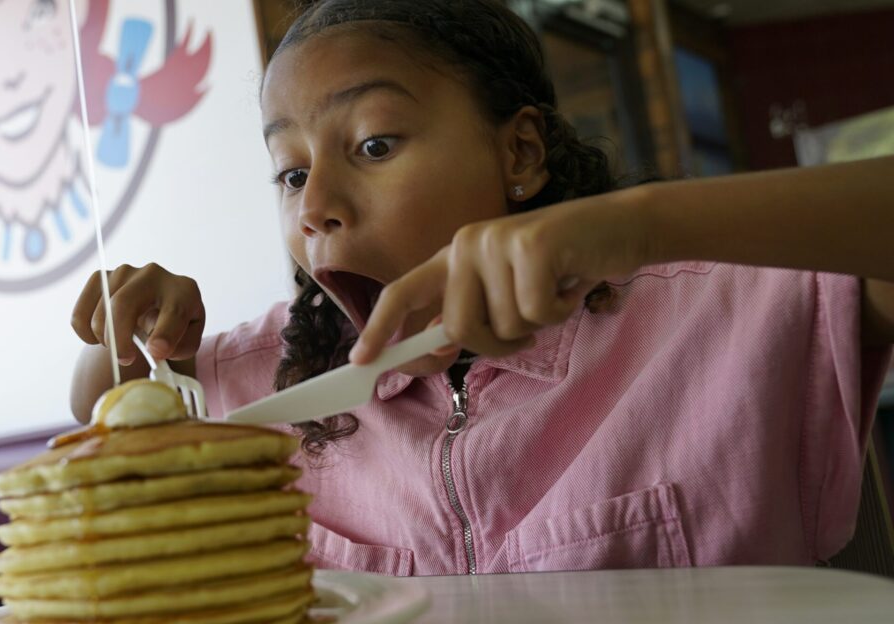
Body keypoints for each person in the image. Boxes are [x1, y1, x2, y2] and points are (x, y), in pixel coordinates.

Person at [69, 0, 894, 575]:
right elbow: (104, 415)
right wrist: (129, 346)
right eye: (289, 171)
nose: (315, 206)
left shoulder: (730, 314)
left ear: (520, 154)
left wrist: (642, 225)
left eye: (374, 144)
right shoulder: (267, 379)